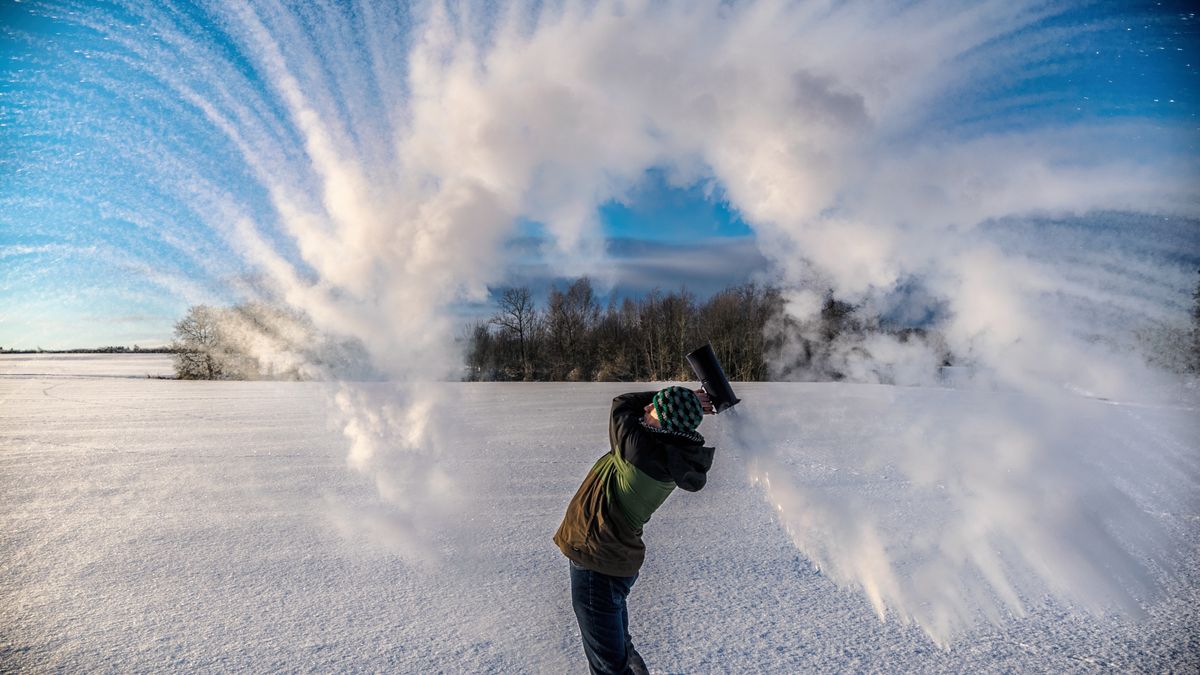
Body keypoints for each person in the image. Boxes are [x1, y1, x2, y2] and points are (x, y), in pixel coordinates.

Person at [554, 386, 715, 674]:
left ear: (664, 421)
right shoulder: (671, 450)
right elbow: (644, 412)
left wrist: (675, 397)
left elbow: (622, 404)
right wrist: (681, 404)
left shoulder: (638, 451)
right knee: (620, 651)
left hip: (597, 563)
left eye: (652, 409)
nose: (645, 409)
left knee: (609, 666)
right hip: (610, 561)